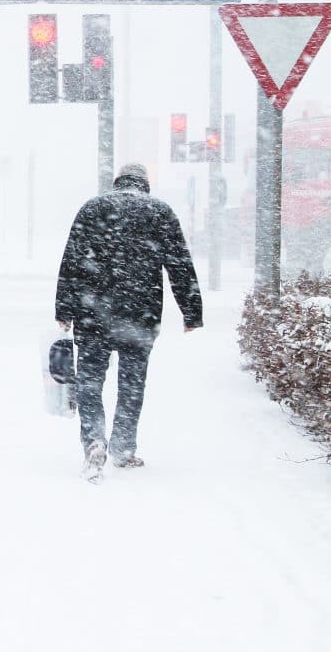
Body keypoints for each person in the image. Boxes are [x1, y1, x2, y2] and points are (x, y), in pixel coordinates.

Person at [54, 163, 202, 481]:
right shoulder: (159, 212)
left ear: (117, 182)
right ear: (145, 184)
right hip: (140, 315)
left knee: (90, 383)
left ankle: (94, 442)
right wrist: (191, 311)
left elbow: (71, 260)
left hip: (93, 313)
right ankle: (123, 449)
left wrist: (63, 309)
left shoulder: (93, 208)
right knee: (132, 385)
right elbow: (179, 264)